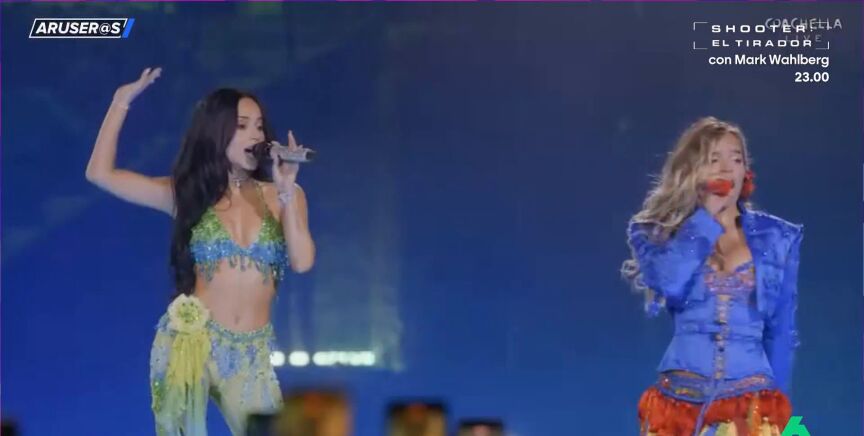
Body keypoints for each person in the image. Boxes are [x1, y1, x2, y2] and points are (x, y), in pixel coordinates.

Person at [86, 67, 316, 435]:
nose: (256, 135)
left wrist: (287, 192)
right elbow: (100, 174)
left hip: (250, 355)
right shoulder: (188, 194)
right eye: (242, 126)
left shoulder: (284, 195)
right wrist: (120, 101)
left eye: (259, 127)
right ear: (217, 133)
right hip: (189, 342)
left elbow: (302, 261)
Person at [621, 117, 802, 435]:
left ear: (745, 171)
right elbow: (670, 283)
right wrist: (705, 219)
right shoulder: (657, 233)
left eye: (736, 159)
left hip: (751, 408)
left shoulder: (777, 238)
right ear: (693, 170)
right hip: (678, 405)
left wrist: (778, 413)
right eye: (713, 159)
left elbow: (781, 331)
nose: (726, 168)